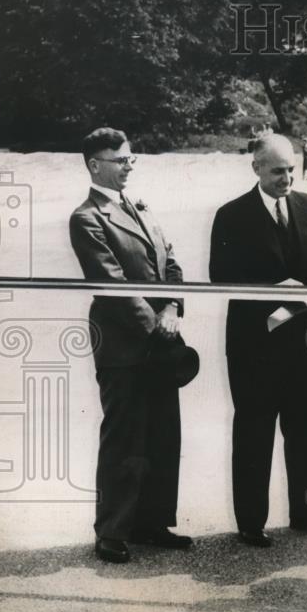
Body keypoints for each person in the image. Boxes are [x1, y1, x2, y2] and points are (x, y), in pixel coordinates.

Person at [209, 134, 307, 548]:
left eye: (291, 170)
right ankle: (251, 520)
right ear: (256, 169)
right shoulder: (232, 214)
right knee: (254, 428)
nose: (286, 178)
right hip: (256, 343)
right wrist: (275, 290)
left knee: (305, 425)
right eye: (277, 171)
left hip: (303, 335)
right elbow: (221, 274)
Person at [69, 127, 191, 564]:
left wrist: (174, 307)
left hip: (161, 339)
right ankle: (112, 532)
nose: (128, 166)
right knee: (125, 439)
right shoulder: (87, 217)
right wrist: (156, 324)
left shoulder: (140, 206)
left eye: (131, 159)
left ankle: (153, 523)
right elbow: (111, 285)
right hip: (125, 346)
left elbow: (170, 260)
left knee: (162, 433)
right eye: (120, 160)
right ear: (95, 164)